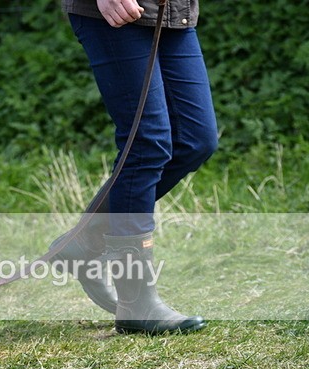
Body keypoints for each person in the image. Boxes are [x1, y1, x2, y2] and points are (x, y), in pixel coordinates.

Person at [51, 0, 219, 334]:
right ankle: (136, 302)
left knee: (195, 140)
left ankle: (84, 242)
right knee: (146, 143)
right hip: (115, 10)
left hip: (174, 9)